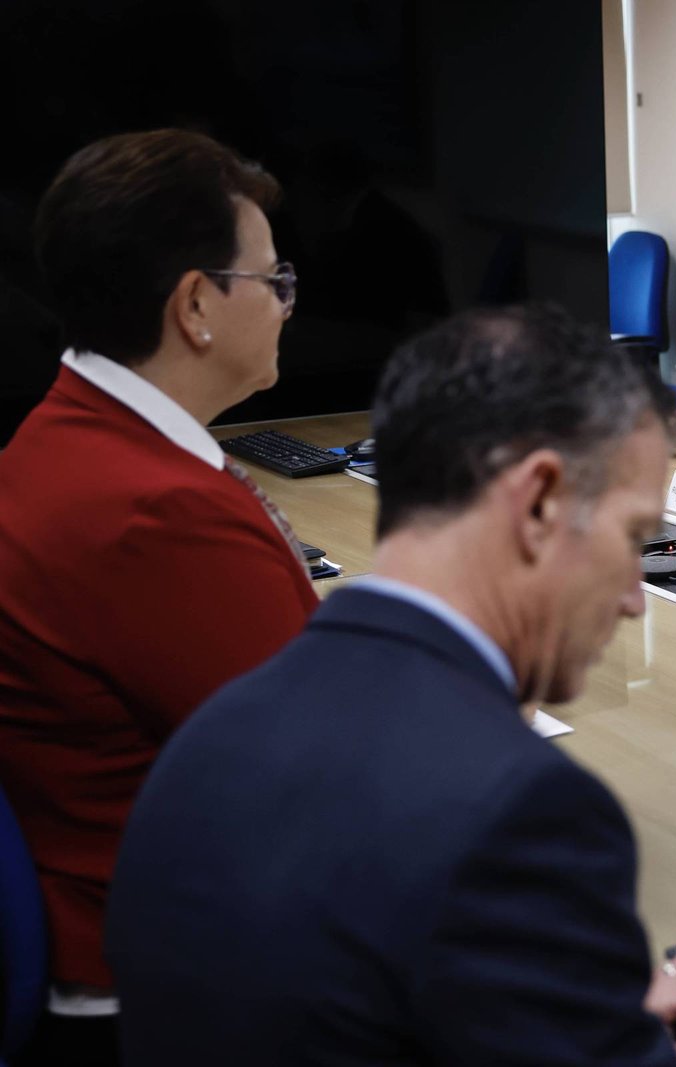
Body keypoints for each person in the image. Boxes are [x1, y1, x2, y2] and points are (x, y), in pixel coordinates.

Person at [107, 305, 676, 1066]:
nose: (634, 597)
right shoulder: (521, 813)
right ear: (541, 503)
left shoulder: (211, 731)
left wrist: (578, 1015)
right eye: (632, 536)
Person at [0, 129, 317, 1065]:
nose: (287, 304)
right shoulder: (153, 513)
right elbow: (327, 780)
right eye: (273, 280)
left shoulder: (62, 433)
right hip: (176, 996)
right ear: (196, 306)